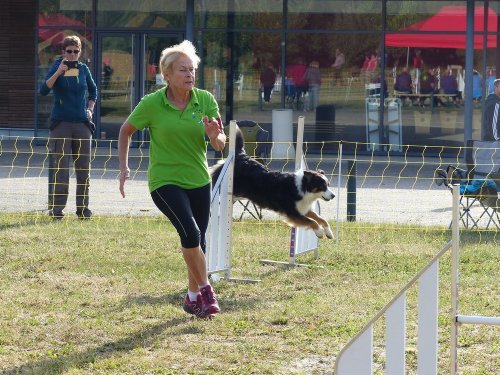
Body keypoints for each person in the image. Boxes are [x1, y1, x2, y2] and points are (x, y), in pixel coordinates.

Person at [118, 40, 226, 319]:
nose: (190, 75)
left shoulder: (205, 100)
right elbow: (126, 130)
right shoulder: (152, 103)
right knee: (190, 234)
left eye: (192, 69)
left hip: (199, 180)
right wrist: (124, 168)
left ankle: (191, 299)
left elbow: (220, 144)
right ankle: (206, 290)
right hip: (164, 181)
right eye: (183, 70)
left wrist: (215, 135)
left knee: (198, 243)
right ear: (166, 74)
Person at [40, 35, 97, 220]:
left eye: (76, 51)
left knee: (83, 170)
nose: (73, 55)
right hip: (61, 124)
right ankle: (57, 210)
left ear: (80, 52)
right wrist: (59, 72)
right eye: (69, 51)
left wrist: (90, 110)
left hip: (81, 124)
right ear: (63, 52)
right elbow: (43, 90)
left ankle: (83, 210)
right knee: (61, 170)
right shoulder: (57, 65)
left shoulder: (83, 68)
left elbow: (94, 91)